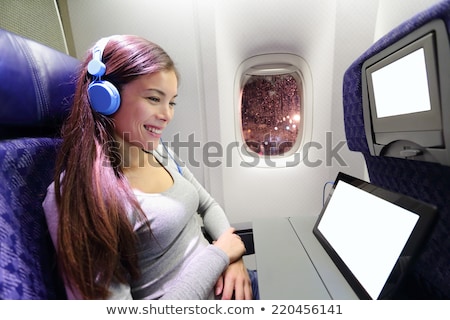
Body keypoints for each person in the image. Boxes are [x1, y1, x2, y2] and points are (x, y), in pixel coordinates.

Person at [42, 34, 259, 300]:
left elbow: (208, 205)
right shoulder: (80, 196)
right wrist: (221, 254)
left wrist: (234, 258)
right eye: (154, 99)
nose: (167, 115)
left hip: (229, 279)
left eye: (172, 102)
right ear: (104, 98)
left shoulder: (156, 151)